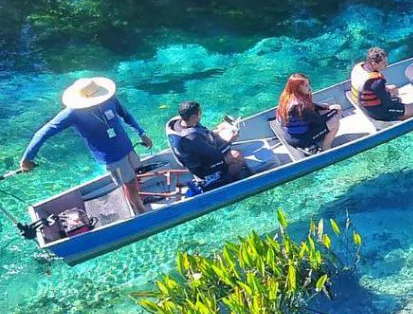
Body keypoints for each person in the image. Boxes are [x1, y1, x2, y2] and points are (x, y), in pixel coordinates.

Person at [20, 77, 153, 215]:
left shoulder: (109, 99)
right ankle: (140, 211)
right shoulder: (71, 113)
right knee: (129, 182)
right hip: (112, 157)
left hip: (127, 146)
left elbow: (126, 115)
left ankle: (135, 197)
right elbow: (42, 133)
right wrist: (27, 158)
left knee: (134, 174)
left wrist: (142, 133)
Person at [166, 101, 247, 187]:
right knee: (236, 155)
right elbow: (216, 155)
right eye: (199, 113)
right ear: (193, 116)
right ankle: (225, 179)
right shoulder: (191, 138)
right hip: (202, 168)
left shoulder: (177, 122)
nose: (201, 116)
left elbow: (203, 133)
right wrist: (230, 141)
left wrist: (218, 131)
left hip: (195, 156)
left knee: (224, 133)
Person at [275, 74, 342, 152]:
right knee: (334, 122)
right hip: (299, 139)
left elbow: (311, 108)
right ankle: (326, 149)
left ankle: (321, 136)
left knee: (325, 107)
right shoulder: (300, 107)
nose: (309, 88)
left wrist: (326, 107)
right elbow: (319, 121)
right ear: (298, 88)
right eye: (306, 86)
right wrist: (334, 111)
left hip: (289, 133)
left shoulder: (287, 96)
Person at [350, 47, 413, 122]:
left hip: (362, 104)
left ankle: (396, 111)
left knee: (394, 88)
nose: (387, 65)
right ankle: (396, 119)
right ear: (374, 63)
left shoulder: (359, 67)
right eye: (383, 63)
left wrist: (394, 97)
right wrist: (397, 103)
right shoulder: (376, 81)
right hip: (376, 112)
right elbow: (387, 103)